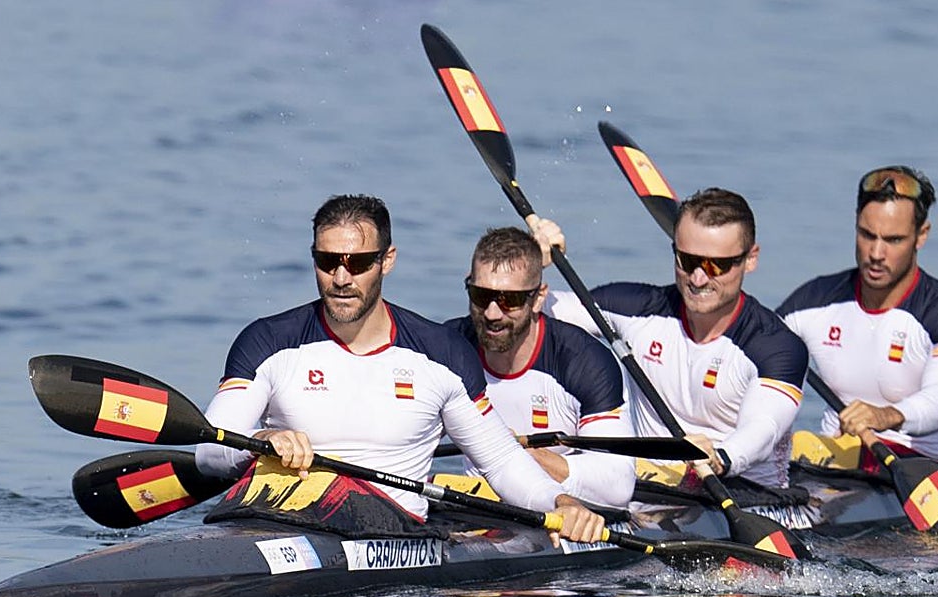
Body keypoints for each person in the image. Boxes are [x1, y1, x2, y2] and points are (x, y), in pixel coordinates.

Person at [195, 193, 605, 544]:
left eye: (358, 263)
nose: (341, 278)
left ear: (387, 260)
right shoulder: (268, 341)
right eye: (328, 261)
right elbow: (210, 451)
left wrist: (560, 503)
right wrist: (261, 439)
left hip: (387, 533)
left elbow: (499, 461)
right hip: (275, 518)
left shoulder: (442, 354)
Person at [543, 188, 809, 489]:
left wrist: (721, 457)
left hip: (745, 493)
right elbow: (526, 315)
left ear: (750, 259)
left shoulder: (776, 347)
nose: (698, 278)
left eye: (716, 265)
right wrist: (534, 262)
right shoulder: (636, 308)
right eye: (688, 260)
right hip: (651, 490)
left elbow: (764, 429)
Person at [776, 166, 938, 470]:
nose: (876, 253)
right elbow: (745, 359)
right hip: (830, 464)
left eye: (893, 240)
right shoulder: (812, 302)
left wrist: (885, 416)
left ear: (921, 235)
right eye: (867, 235)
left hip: (921, 470)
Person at [445, 226, 636, 509]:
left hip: (565, 510)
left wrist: (511, 457)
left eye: (510, 300)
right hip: (477, 509)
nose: (492, 314)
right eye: (481, 295)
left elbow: (617, 484)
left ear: (538, 298)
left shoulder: (583, 361)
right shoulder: (448, 348)